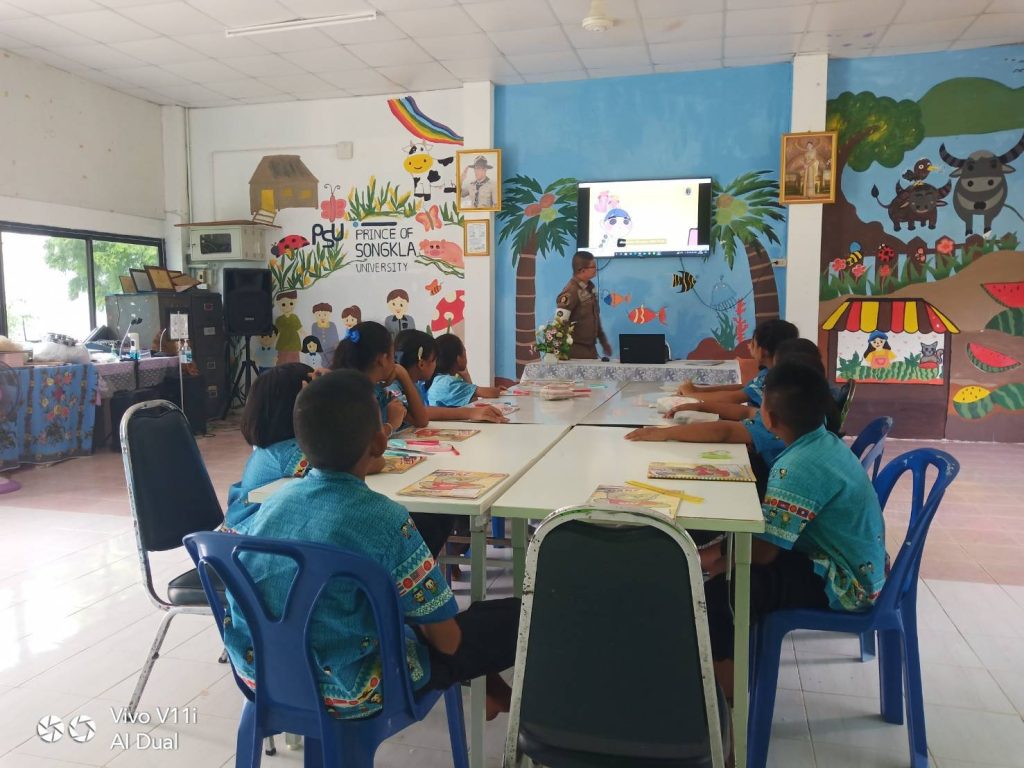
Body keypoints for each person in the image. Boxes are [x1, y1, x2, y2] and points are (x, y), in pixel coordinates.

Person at [221, 370, 521, 720]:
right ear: (380, 442)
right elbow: (448, 641)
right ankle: (521, 705)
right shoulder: (386, 519)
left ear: (301, 443)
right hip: (355, 691)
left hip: (263, 677)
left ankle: (495, 693)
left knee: (407, 613)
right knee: (516, 618)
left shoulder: (271, 505)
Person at [700, 361, 886, 692]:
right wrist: (720, 555)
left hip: (845, 582)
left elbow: (765, 553)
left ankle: (728, 703)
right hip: (854, 562)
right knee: (726, 563)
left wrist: (719, 559)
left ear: (769, 417)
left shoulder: (796, 468)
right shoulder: (822, 441)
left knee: (722, 595)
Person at [224, 363, 312, 530]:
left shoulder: (274, 449)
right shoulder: (289, 452)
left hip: (247, 534)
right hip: (247, 538)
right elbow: (337, 464)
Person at [394, 330, 508, 424]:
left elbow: (421, 417)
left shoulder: (414, 386)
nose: (436, 364)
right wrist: (471, 413)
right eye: (434, 360)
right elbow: (422, 414)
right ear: (422, 364)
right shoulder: (394, 389)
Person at [677, 319, 798, 406]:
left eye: (752, 344)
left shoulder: (770, 380)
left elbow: (732, 398)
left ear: (763, 351)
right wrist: (698, 390)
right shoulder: (770, 371)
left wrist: (690, 395)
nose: (748, 346)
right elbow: (744, 388)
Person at [555, 250, 611, 360]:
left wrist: (603, 342)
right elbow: (559, 323)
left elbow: (595, 317)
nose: (596, 269)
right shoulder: (571, 291)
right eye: (593, 267)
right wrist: (558, 351)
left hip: (590, 350)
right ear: (582, 270)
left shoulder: (590, 288)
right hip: (574, 351)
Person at [427, 333, 505, 407]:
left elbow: (473, 402)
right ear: (458, 358)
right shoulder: (449, 383)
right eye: (464, 351)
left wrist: (466, 375)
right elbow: (492, 393)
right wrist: (498, 390)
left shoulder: (439, 380)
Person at [273, 290, 303, 364]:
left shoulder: (295, 317)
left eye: (291, 303)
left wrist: (308, 338)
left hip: (294, 345)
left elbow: (300, 329)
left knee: (294, 362)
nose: (287, 307)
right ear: (279, 304)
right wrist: (273, 343)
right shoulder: (279, 319)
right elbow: (277, 333)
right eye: (283, 304)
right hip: (282, 345)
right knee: (282, 362)